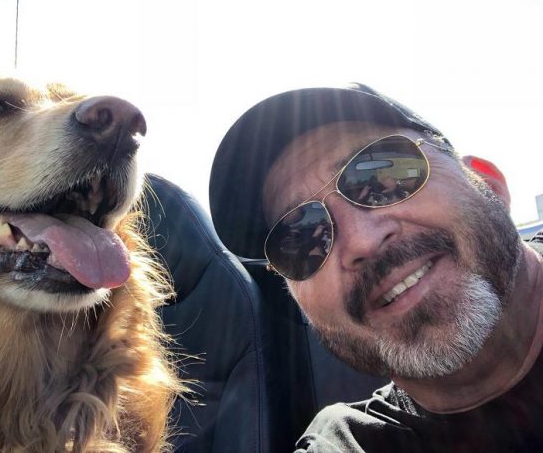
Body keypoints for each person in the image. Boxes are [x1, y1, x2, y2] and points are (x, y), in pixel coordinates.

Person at [209, 83, 543, 452]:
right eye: (301, 238)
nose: (361, 242)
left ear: (489, 184)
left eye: (381, 177)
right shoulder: (346, 443)